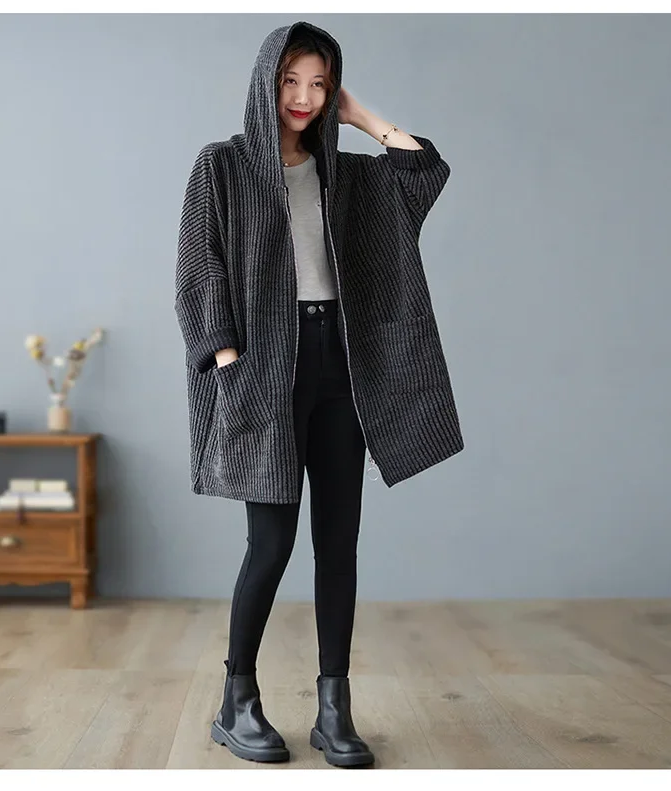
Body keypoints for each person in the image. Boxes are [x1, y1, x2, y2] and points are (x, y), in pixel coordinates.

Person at [175, 21, 464, 768]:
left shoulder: (350, 175)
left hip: (340, 364)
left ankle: (334, 707)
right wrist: (231, 364)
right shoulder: (224, 165)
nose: (304, 98)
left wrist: (362, 118)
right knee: (270, 544)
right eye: (291, 82)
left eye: (320, 84)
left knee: (339, 542)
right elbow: (200, 272)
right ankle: (237, 699)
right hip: (265, 367)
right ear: (266, 82)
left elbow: (423, 172)